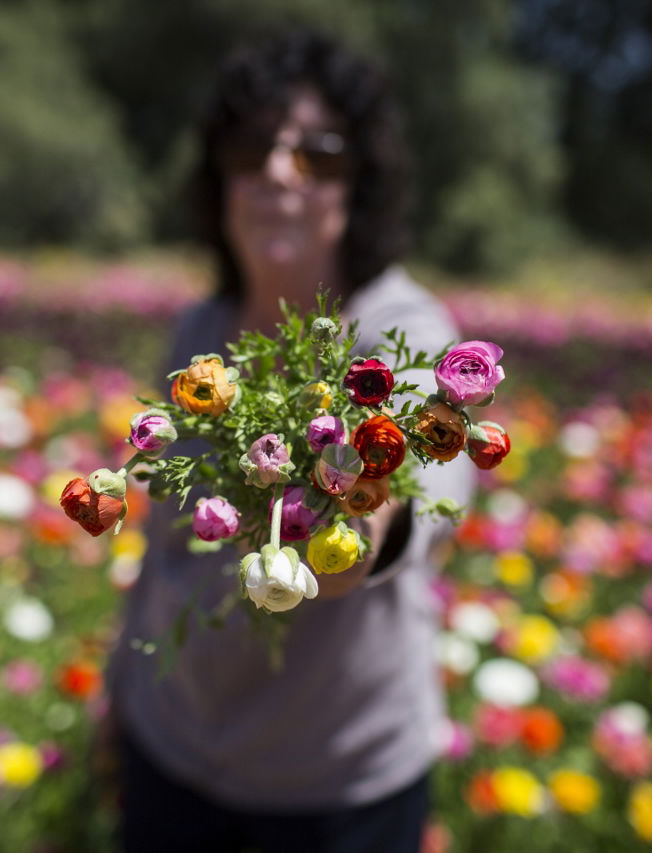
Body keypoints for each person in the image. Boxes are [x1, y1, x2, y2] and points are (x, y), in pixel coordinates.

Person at [105, 30, 475, 853]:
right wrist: (119, 684)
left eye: (320, 154)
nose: (280, 171)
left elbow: (402, 515)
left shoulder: (402, 332)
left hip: (337, 787)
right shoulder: (198, 331)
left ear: (361, 186)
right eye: (251, 149)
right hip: (166, 748)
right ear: (219, 177)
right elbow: (160, 540)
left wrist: (344, 519)